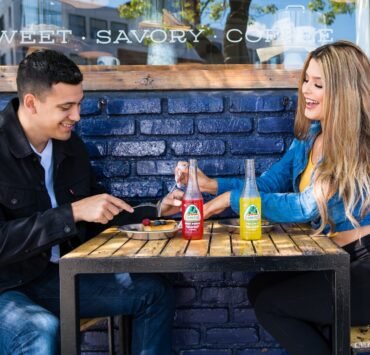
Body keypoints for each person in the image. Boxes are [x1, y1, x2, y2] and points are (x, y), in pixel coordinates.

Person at [166, 40, 370, 355]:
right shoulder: (308, 141)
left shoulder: (355, 148)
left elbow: (305, 206)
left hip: (363, 265)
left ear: (345, 93)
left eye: (318, 84)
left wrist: (231, 201)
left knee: (274, 304)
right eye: (305, 79)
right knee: (261, 287)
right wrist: (210, 186)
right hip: (337, 258)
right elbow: (267, 183)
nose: (306, 90)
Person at [0, 49, 175, 355]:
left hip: (54, 278)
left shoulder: (71, 148)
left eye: (78, 105)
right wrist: (70, 214)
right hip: (5, 287)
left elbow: (96, 214)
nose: (77, 117)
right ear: (31, 103)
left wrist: (157, 211)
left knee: (153, 292)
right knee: (40, 331)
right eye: (66, 107)